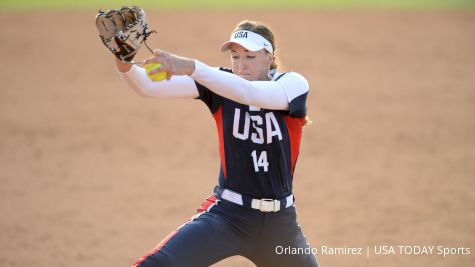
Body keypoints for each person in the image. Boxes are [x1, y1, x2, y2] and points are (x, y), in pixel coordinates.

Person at [115, 20, 318, 267]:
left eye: (250, 56)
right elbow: (147, 86)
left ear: (270, 57)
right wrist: (123, 61)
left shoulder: (293, 85)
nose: (241, 65)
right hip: (229, 216)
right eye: (235, 56)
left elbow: (250, 94)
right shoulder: (220, 82)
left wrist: (191, 67)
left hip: (281, 226)